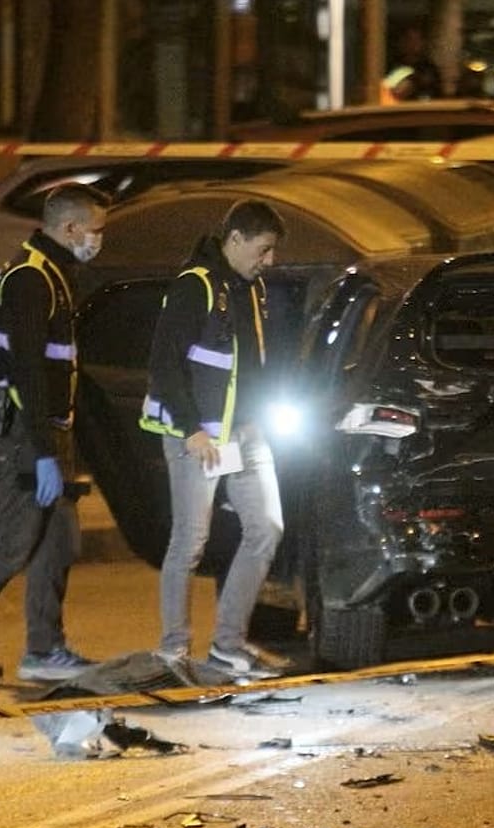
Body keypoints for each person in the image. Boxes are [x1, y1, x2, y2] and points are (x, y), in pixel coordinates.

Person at [0, 183, 108, 684]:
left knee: (57, 537)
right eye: (96, 230)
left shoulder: (55, 276)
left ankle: (44, 649)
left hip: (42, 430)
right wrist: (42, 450)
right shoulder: (29, 279)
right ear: (69, 229)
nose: (98, 240)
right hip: (16, 428)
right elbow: (25, 370)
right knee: (15, 534)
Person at [139, 200, 291, 680]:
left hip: (245, 433)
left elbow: (252, 362)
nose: (269, 261)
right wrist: (192, 430)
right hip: (201, 438)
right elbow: (164, 364)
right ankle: (173, 650)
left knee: (266, 528)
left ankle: (227, 645)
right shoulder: (195, 286)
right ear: (237, 240)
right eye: (263, 250)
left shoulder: (252, 287)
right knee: (190, 542)